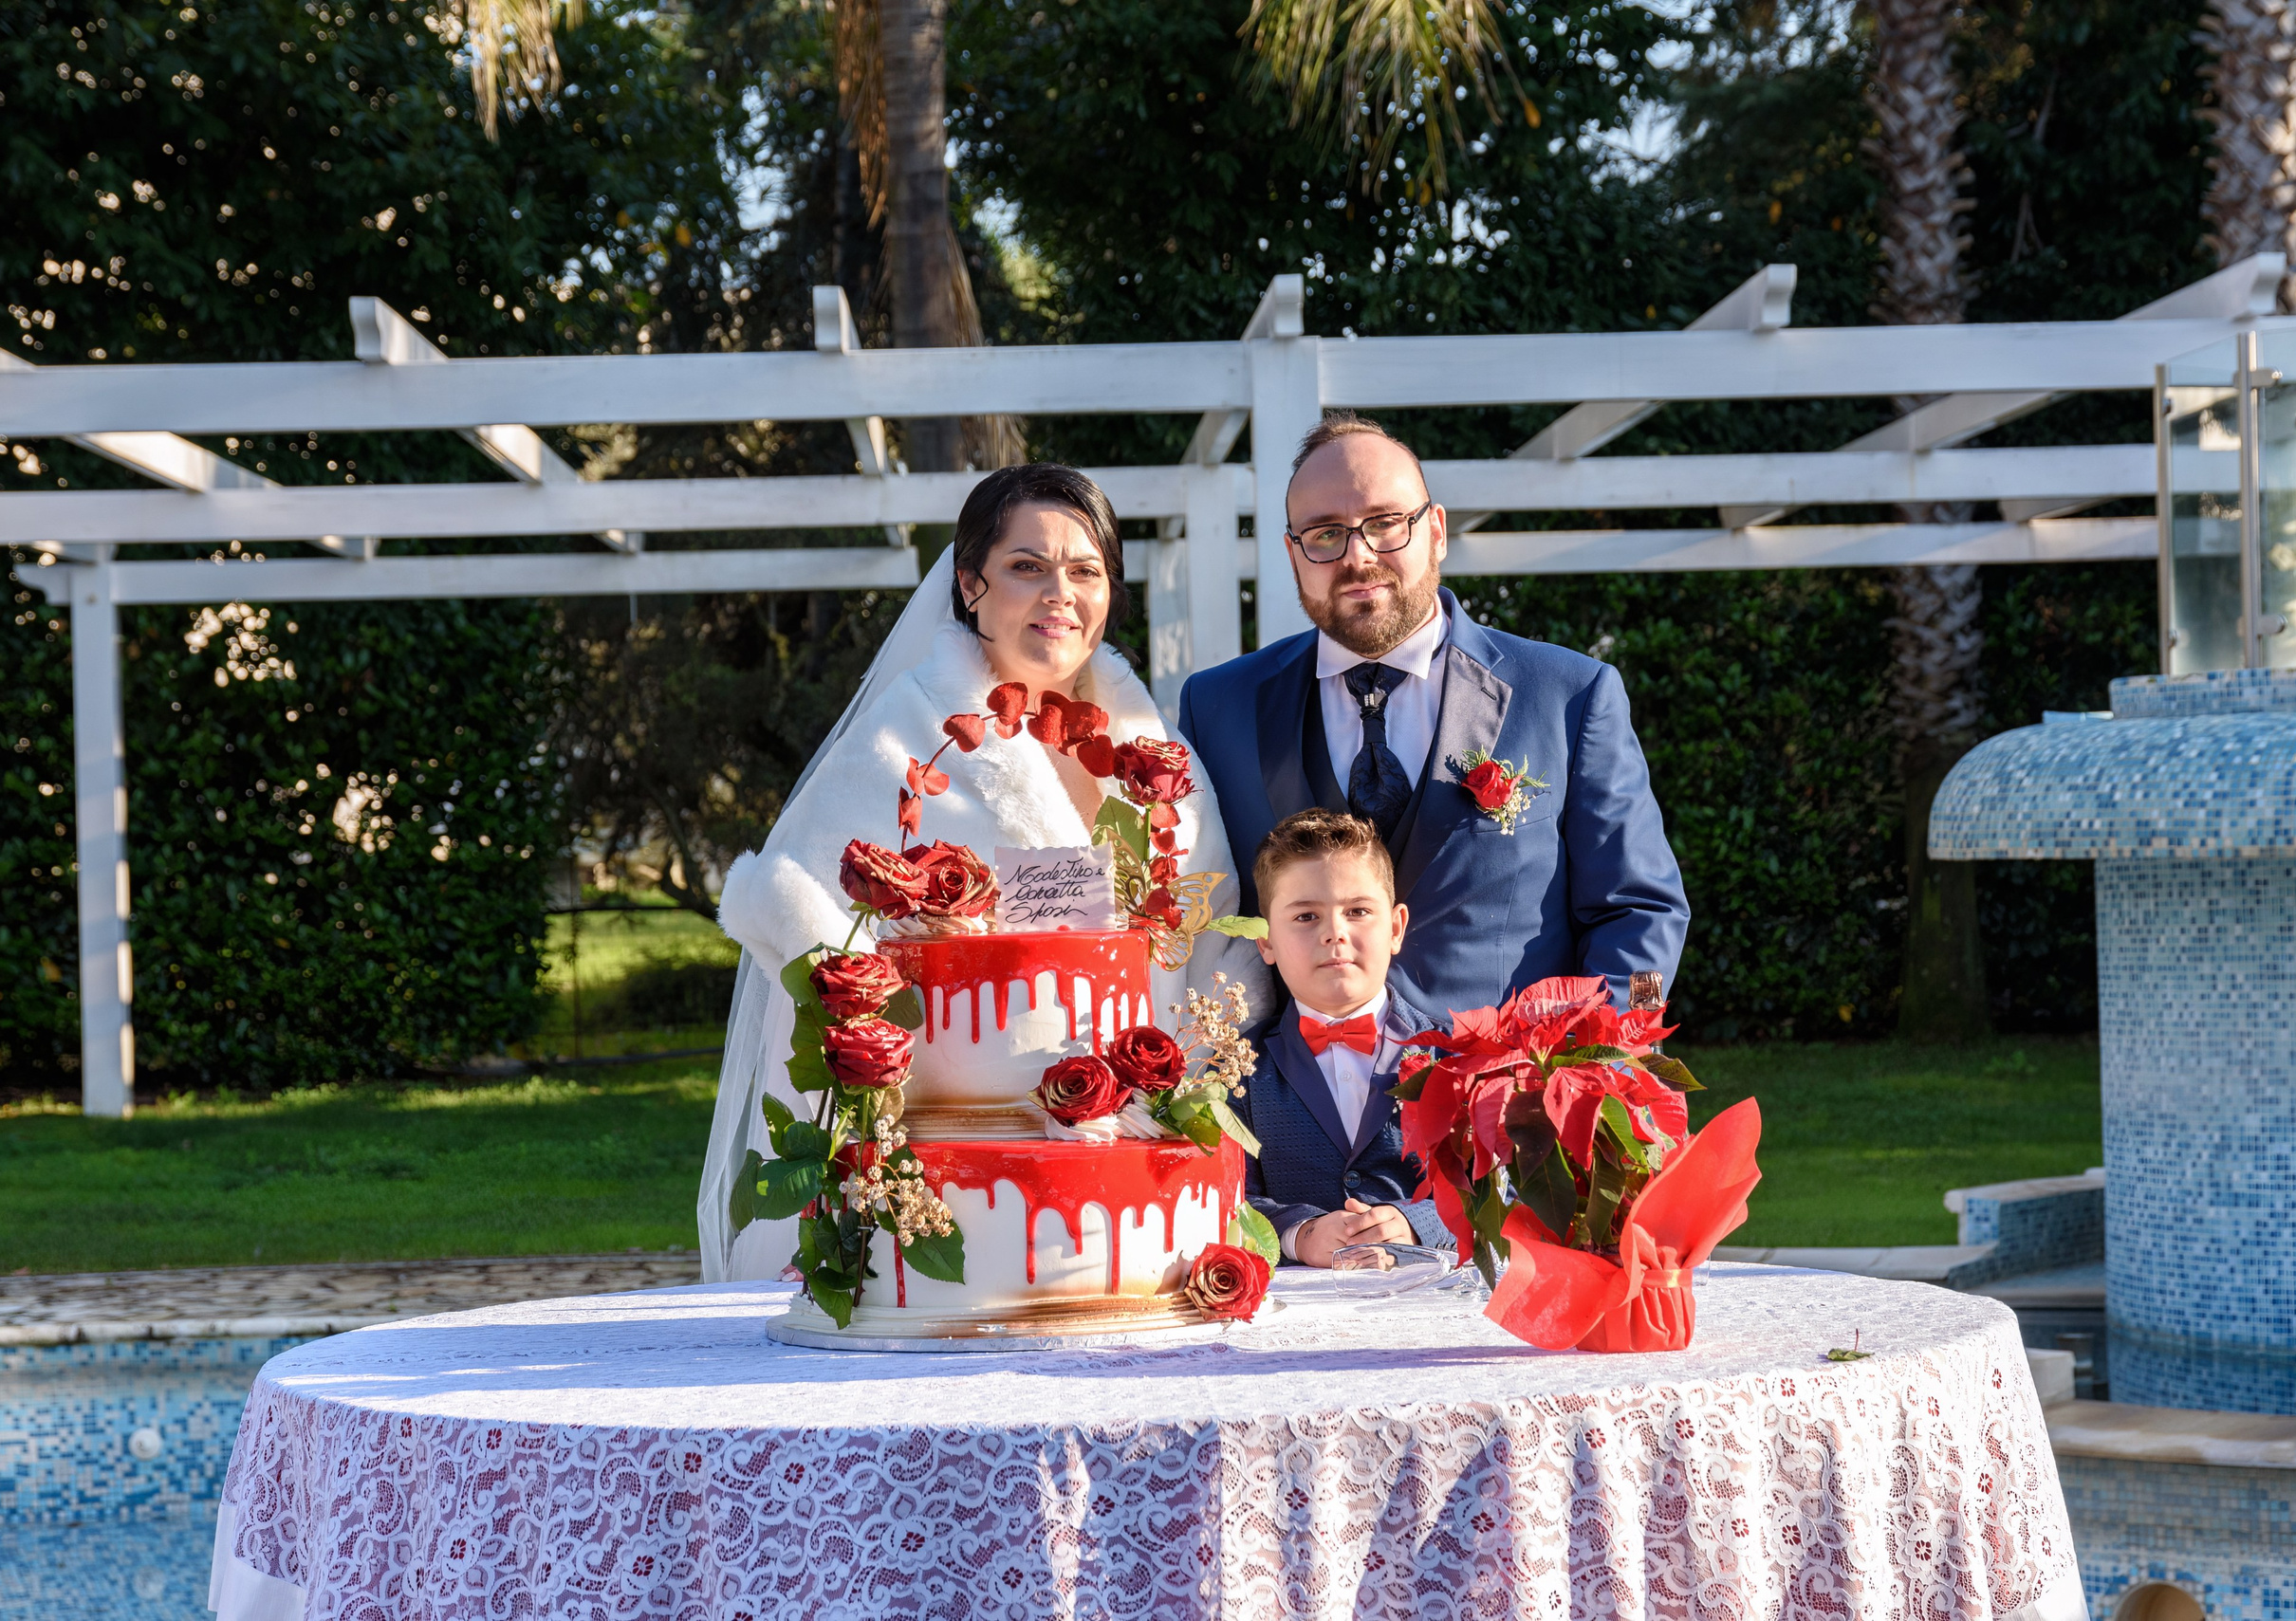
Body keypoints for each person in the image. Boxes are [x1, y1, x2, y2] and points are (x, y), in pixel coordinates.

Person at [698, 464, 1264, 1282]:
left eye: (1085, 571)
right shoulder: (904, 743)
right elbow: (811, 930)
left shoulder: (1158, 754)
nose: (1058, 594)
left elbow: (1206, 940)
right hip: (950, 1193)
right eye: (1027, 566)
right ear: (970, 583)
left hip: (1129, 1193)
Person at [1178, 414, 1689, 1025]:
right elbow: (1203, 914)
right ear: (1294, 553)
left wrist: (1620, 1048)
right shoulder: (1217, 707)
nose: (1358, 556)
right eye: (1324, 534)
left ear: (1437, 531)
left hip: (1505, 1103)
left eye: (1386, 523)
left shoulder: (1570, 694)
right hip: (1290, 1109)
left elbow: (1644, 909)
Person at [1235, 808, 1453, 1266]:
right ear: (1267, 941)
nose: (1334, 933)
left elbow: (1505, 1187)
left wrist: (1419, 1223)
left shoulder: (1454, 1052)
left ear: (1395, 928)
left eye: (1357, 911)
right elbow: (1222, 1196)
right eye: (1306, 916)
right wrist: (1299, 1232)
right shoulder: (1235, 1067)